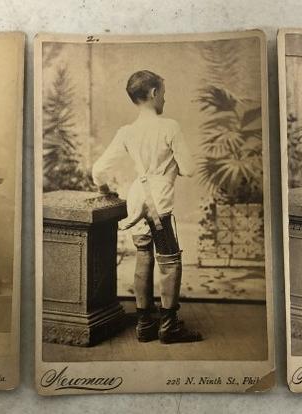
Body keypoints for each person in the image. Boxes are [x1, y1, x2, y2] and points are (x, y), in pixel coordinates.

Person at [91, 70, 202, 344]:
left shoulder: (127, 132)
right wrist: (171, 165)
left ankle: (144, 324)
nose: (165, 97)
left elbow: (98, 170)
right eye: (163, 92)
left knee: (143, 255)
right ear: (154, 93)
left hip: (137, 199)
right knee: (170, 260)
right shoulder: (170, 127)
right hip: (159, 203)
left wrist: (105, 190)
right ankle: (169, 326)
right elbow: (189, 168)